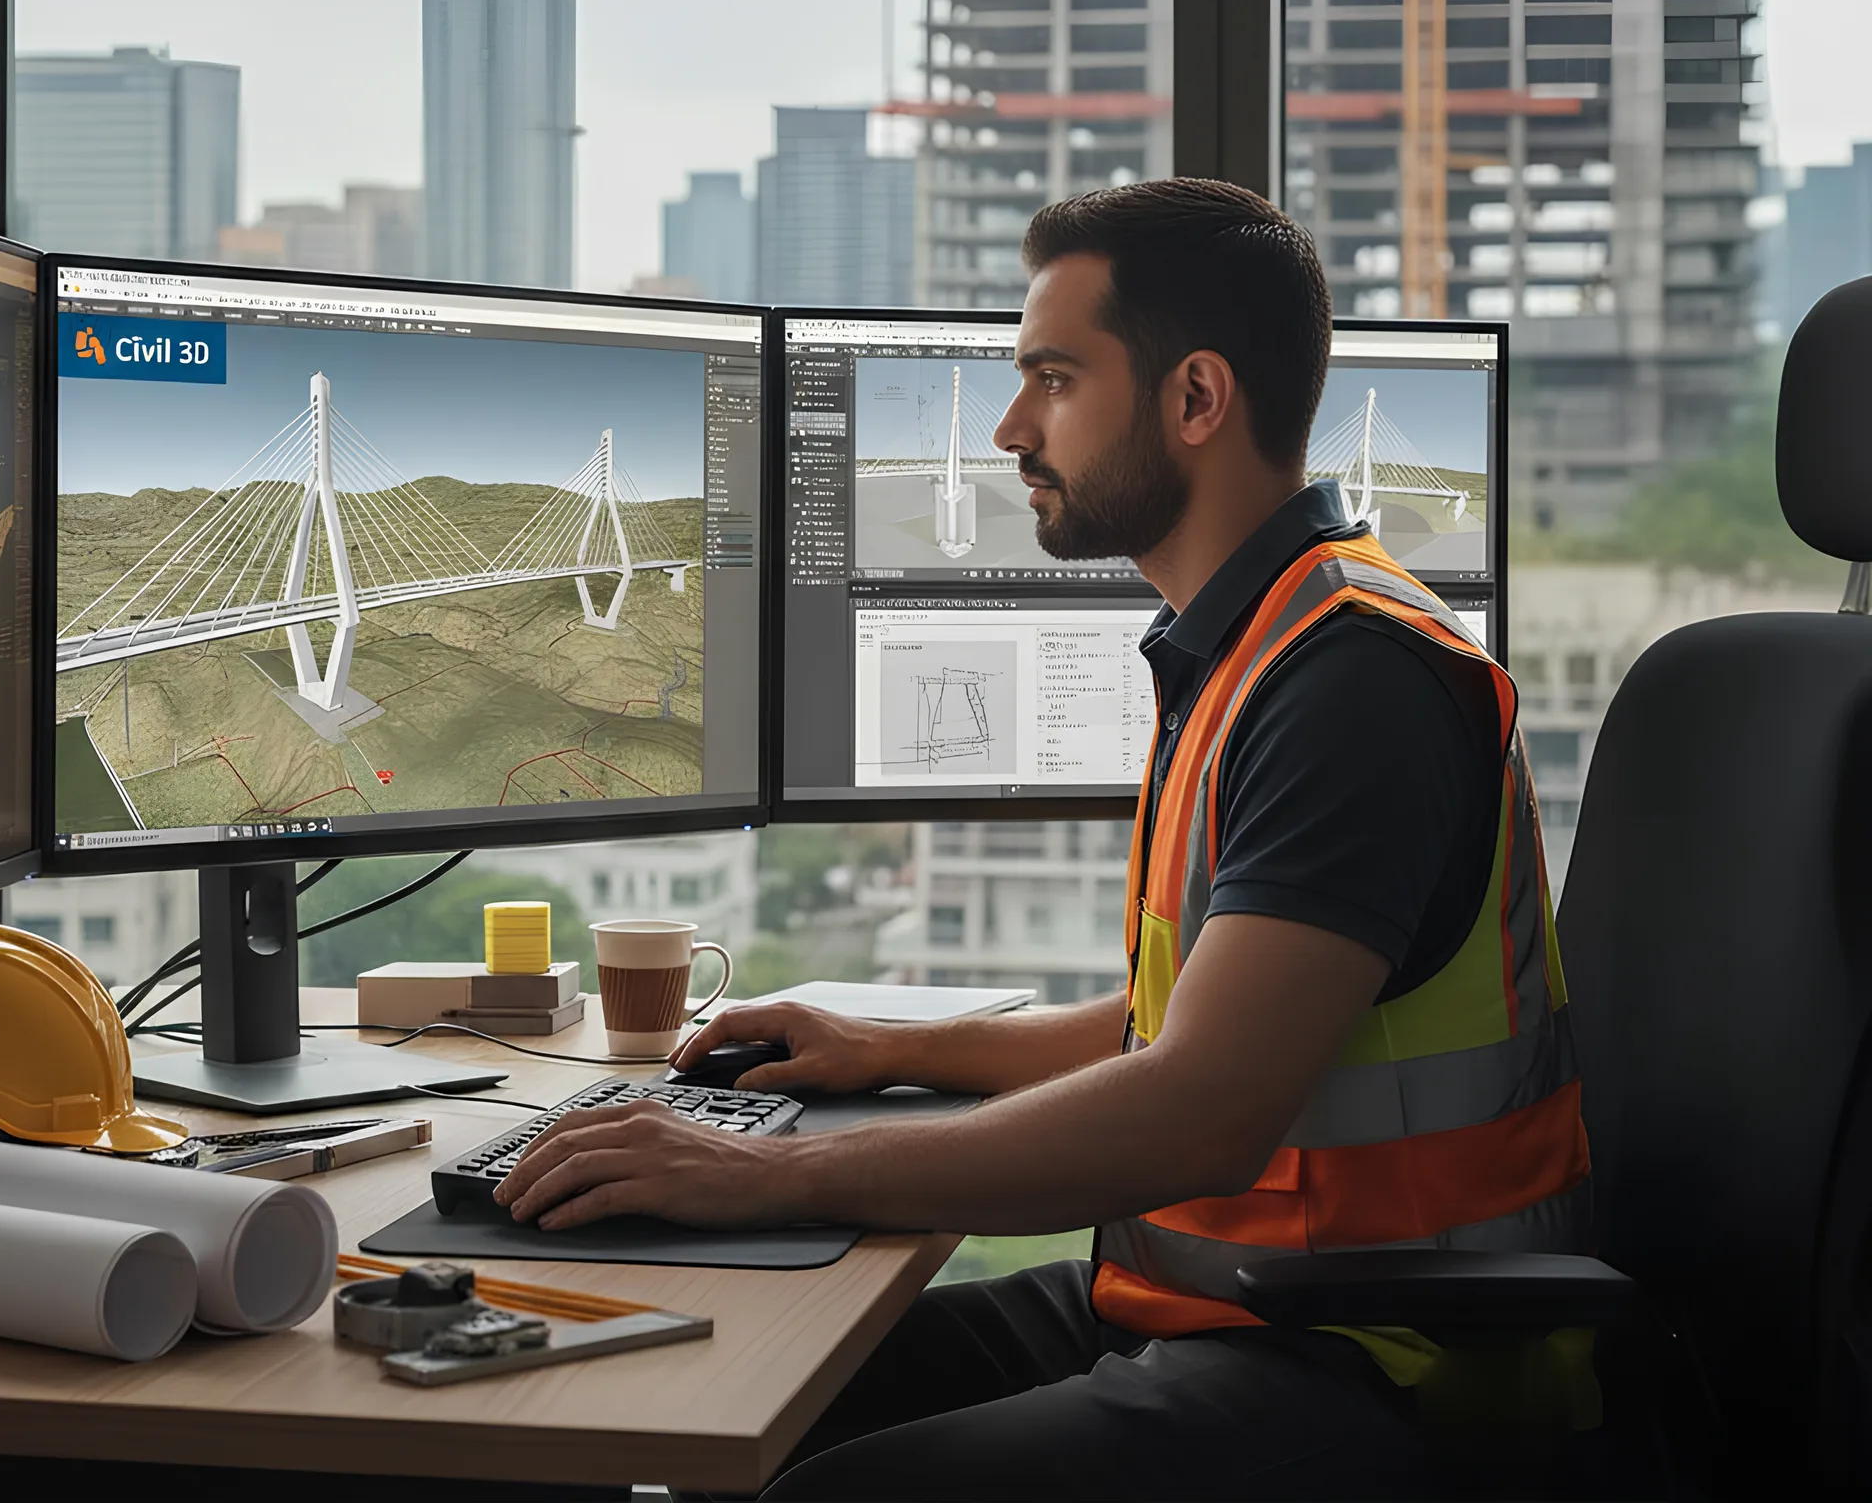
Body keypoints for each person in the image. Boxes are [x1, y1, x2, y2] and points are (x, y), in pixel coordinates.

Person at [496, 179, 1587, 1499]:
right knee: (734, 1383)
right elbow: (1185, 1031)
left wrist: (764, 1178)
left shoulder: (1351, 683)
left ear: (1195, 400)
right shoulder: (1257, 645)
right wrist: (890, 1051)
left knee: (823, 1476)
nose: (1012, 427)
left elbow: (1202, 1112)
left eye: (1055, 379)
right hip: (1218, 1303)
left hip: (1384, 1364)